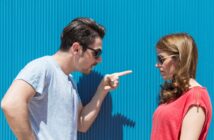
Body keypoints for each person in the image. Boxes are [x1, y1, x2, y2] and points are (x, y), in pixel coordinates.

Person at [1, 17, 132, 140]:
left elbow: (81, 124)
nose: (99, 59)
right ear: (76, 49)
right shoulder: (43, 67)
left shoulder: (69, 80)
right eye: (96, 53)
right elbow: (11, 104)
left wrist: (102, 89)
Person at [151, 33, 212, 140]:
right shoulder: (176, 94)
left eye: (161, 59)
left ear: (179, 59)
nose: (157, 64)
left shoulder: (196, 97)